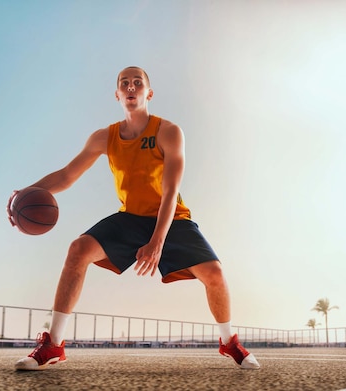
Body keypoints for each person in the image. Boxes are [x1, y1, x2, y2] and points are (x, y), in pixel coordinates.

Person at [14, 66, 260, 371]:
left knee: (215, 275)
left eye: (137, 83)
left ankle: (230, 342)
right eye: (124, 84)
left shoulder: (168, 131)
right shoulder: (104, 137)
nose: (131, 87)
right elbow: (67, 175)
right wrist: (24, 194)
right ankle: (53, 346)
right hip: (130, 217)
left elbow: (170, 192)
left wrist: (157, 241)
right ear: (117, 95)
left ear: (148, 93)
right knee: (79, 249)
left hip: (171, 217)